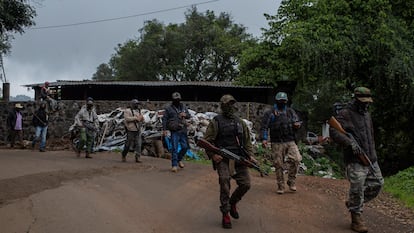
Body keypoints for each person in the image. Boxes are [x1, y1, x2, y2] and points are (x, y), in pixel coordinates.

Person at [329, 87, 384, 233]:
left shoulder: (367, 114)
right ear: (356, 99)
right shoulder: (345, 114)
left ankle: (354, 202)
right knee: (358, 187)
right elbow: (333, 131)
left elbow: (370, 135)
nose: (366, 105)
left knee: (378, 184)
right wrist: (349, 143)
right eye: (363, 102)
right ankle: (356, 219)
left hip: (370, 157)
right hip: (354, 159)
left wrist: (373, 152)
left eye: (368, 102)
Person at [203, 94, 255, 229]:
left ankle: (233, 202)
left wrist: (250, 155)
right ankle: (225, 213)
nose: (230, 107)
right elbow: (206, 141)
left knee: (246, 184)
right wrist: (213, 154)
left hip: (239, 158)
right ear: (222, 105)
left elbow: (247, 141)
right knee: (224, 181)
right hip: (223, 159)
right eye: (227, 104)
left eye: (231, 104)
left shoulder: (240, 122)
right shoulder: (216, 121)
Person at [260, 91, 302, 194]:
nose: (282, 102)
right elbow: (264, 127)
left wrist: (297, 125)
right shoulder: (270, 113)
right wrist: (264, 139)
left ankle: (291, 181)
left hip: (290, 140)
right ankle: (281, 185)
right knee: (278, 164)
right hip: (276, 142)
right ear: (277, 101)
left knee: (297, 159)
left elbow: (297, 122)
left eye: (284, 101)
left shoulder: (290, 112)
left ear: (286, 101)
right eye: (280, 101)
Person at [162, 92, 190, 172]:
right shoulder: (168, 108)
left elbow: (189, 115)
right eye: (175, 100)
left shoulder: (183, 107)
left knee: (185, 147)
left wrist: (185, 114)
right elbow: (164, 119)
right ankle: (174, 165)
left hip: (183, 129)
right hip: (174, 130)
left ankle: (179, 159)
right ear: (173, 100)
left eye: (178, 100)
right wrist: (164, 130)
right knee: (174, 148)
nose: (177, 101)